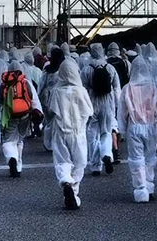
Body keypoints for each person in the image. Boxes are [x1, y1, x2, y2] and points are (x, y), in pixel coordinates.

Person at [48, 44, 93, 210]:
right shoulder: (81, 91)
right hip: (78, 133)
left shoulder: (56, 91)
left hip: (60, 131)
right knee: (79, 163)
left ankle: (65, 181)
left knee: (62, 161)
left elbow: (51, 111)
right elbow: (89, 112)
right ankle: (73, 191)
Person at [118, 45, 157, 203]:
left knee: (136, 158)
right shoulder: (153, 87)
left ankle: (140, 190)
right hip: (151, 125)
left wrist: (122, 130)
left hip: (134, 126)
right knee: (150, 157)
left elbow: (122, 111)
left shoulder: (127, 88)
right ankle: (150, 186)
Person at [80, 43, 121, 175]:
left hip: (92, 101)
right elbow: (116, 88)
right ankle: (107, 154)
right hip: (107, 102)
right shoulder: (110, 68)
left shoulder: (87, 69)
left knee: (92, 134)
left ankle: (95, 165)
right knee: (106, 132)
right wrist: (116, 105)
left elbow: (83, 89)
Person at [0, 60, 43, 177]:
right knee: (19, 140)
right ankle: (18, 165)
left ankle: (12, 158)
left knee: (8, 141)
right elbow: (34, 100)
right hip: (25, 115)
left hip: (9, 116)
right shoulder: (25, 82)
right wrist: (38, 117)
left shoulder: (3, 84)